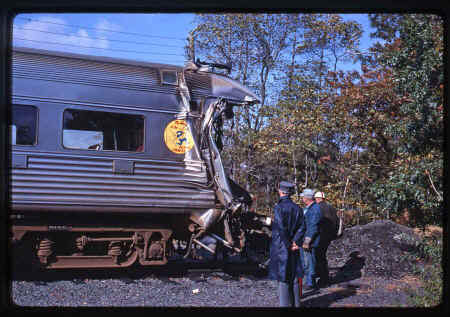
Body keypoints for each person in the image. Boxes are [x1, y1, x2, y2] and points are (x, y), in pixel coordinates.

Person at [268, 181, 304, 307]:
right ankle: (296, 304)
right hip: (293, 246)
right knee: (294, 275)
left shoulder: (279, 207)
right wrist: (296, 242)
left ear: (281, 191)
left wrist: (289, 244)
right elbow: (302, 227)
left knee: (283, 276)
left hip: (282, 246)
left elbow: (281, 228)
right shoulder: (298, 208)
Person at [293, 188, 322, 292]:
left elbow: (313, 227)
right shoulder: (310, 208)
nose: (302, 199)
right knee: (307, 261)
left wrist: (307, 241)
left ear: (307, 198)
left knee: (308, 262)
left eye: (303, 197)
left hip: (309, 240)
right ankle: (310, 281)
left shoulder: (314, 209)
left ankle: (311, 283)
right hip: (307, 239)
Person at [314, 191, 339, 287]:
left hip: (320, 236)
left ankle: (323, 279)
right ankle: (323, 277)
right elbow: (336, 221)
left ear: (317, 198)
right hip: (329, 236)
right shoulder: (331, 207)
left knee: (319, 256)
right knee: (322, 256)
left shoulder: (317, 208)